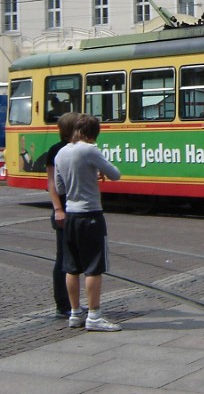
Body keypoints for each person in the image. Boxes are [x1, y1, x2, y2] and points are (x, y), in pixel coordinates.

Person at [54, 113, 122, 331]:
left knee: (71, 268)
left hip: (71, 215)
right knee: (93, 268)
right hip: (91, 214)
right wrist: (96, 170)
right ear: (94, 133)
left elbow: (60, 187)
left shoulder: (61, 152)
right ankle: (94, 316)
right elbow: (115, 175)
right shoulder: (90, 150)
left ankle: (75, 313)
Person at [45, 112, 78, 318]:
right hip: (64, 208)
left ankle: (72, 305)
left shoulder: (79, 149)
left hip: (77, 207)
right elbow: (51, 184)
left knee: (72, 258)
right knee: (63, 258)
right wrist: (58, 209)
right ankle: (63, 305)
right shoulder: (57, 150)